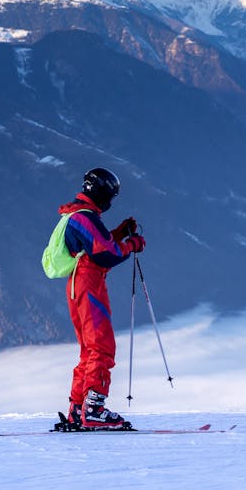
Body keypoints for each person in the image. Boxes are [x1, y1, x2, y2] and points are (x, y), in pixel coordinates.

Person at [57, 167, 145, 430]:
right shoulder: (83, 218)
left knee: (89, 349)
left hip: (80, 284)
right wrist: (132, 244)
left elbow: (99, 243)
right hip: (88, 284)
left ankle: (78, 407)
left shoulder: (80, 215)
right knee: (101, 346)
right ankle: (93, 409)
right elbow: (104, 253)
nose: (110, 202)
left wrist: (118, 233)